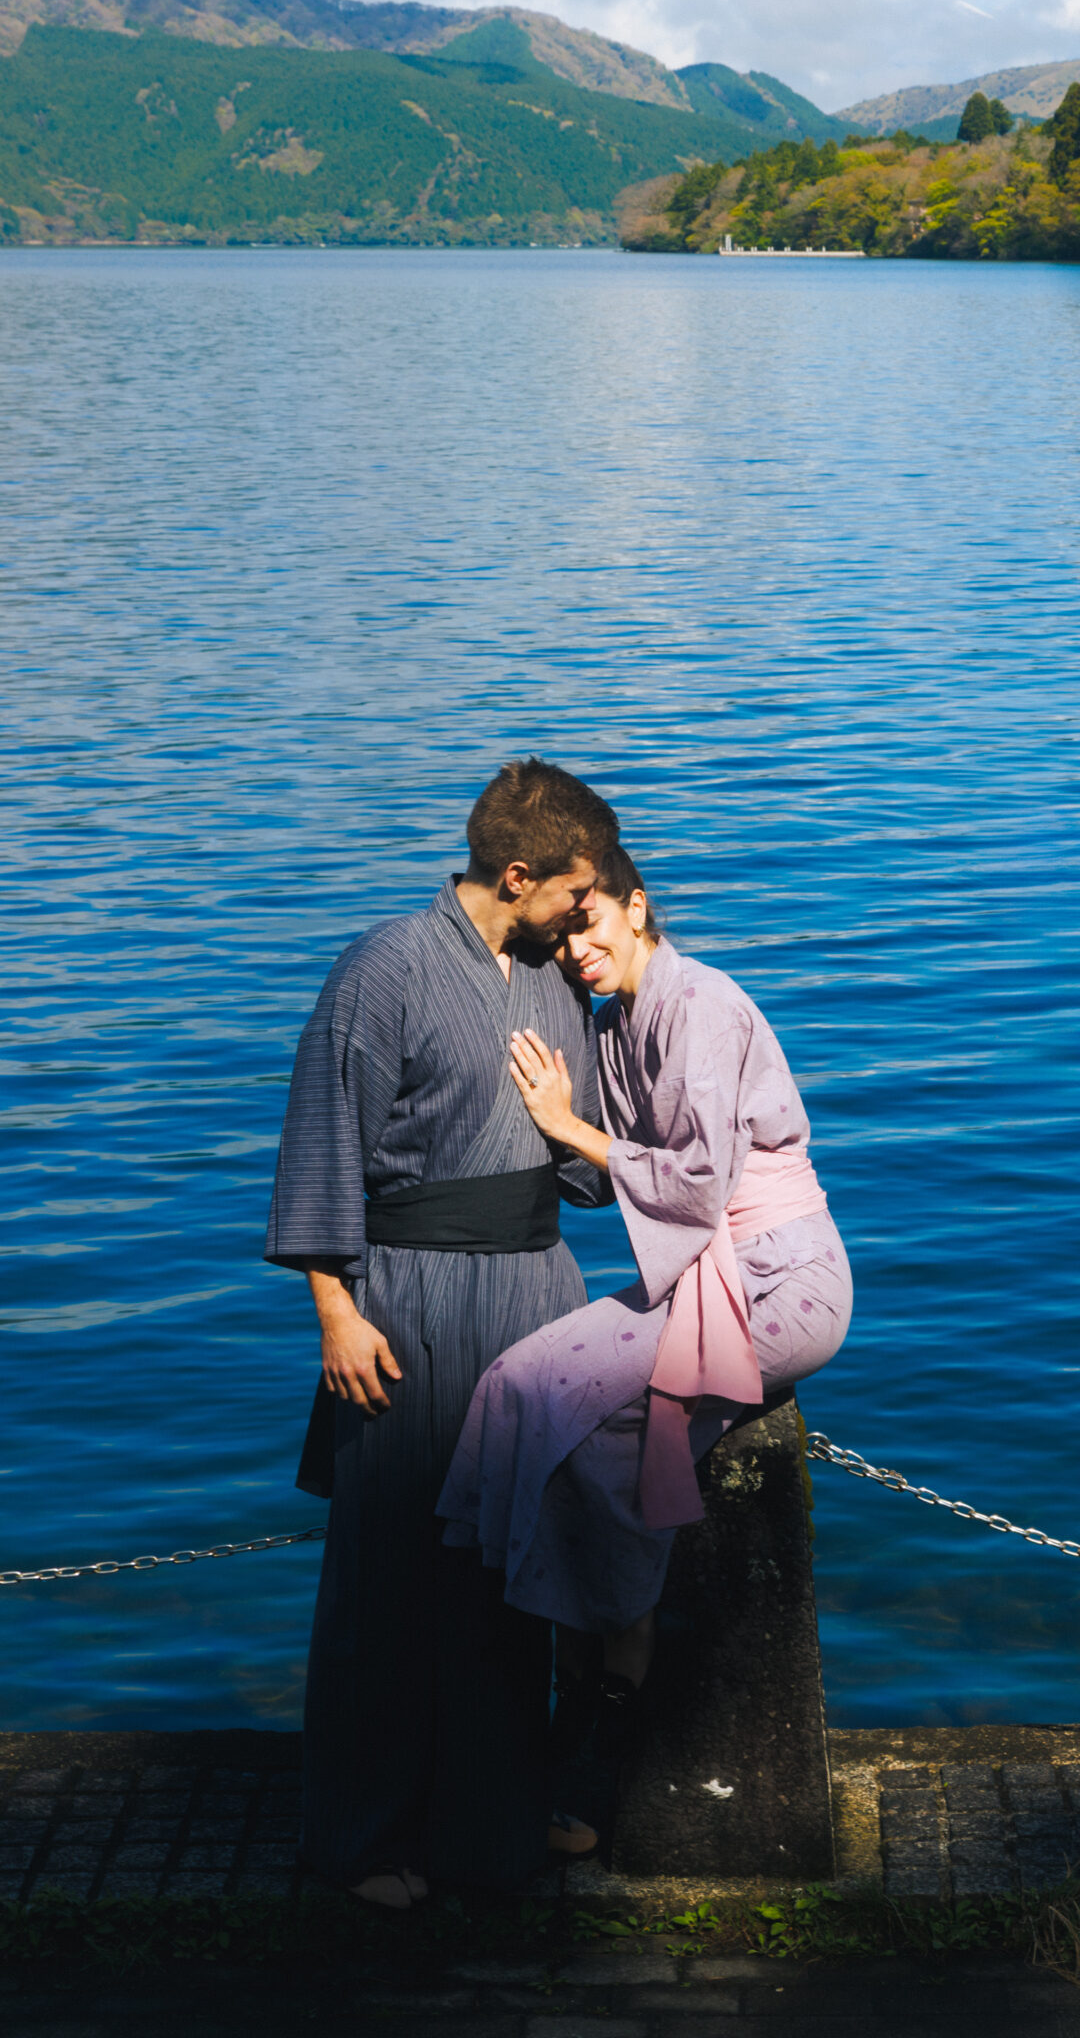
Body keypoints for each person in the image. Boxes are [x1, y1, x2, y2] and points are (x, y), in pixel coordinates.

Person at [436, 849, 852, 1859]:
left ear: (636, 905)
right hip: (705, 1275)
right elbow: (610, 1179)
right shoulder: (621, 1026)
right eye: (560, 936)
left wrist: (566, 1123)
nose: (576, 951)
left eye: (589, 925)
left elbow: (697, 1185)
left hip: (778, 1283)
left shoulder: (701, 1005)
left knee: (593, 1416)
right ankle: (528, 1644)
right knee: (517, 1383)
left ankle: (618, 1646)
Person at [266, 759, 619, 1907]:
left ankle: (494, 1819)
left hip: (536, 1298)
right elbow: (324, 1141)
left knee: (519, 1573)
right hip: (405, 1308)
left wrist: (574, 1128)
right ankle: (366, 1837)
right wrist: (334, 1309)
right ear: (517, 875)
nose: (588, 910)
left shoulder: (552, 976)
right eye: (576, 889)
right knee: (393, 1581)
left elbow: (580, 1168)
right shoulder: (382, 971)